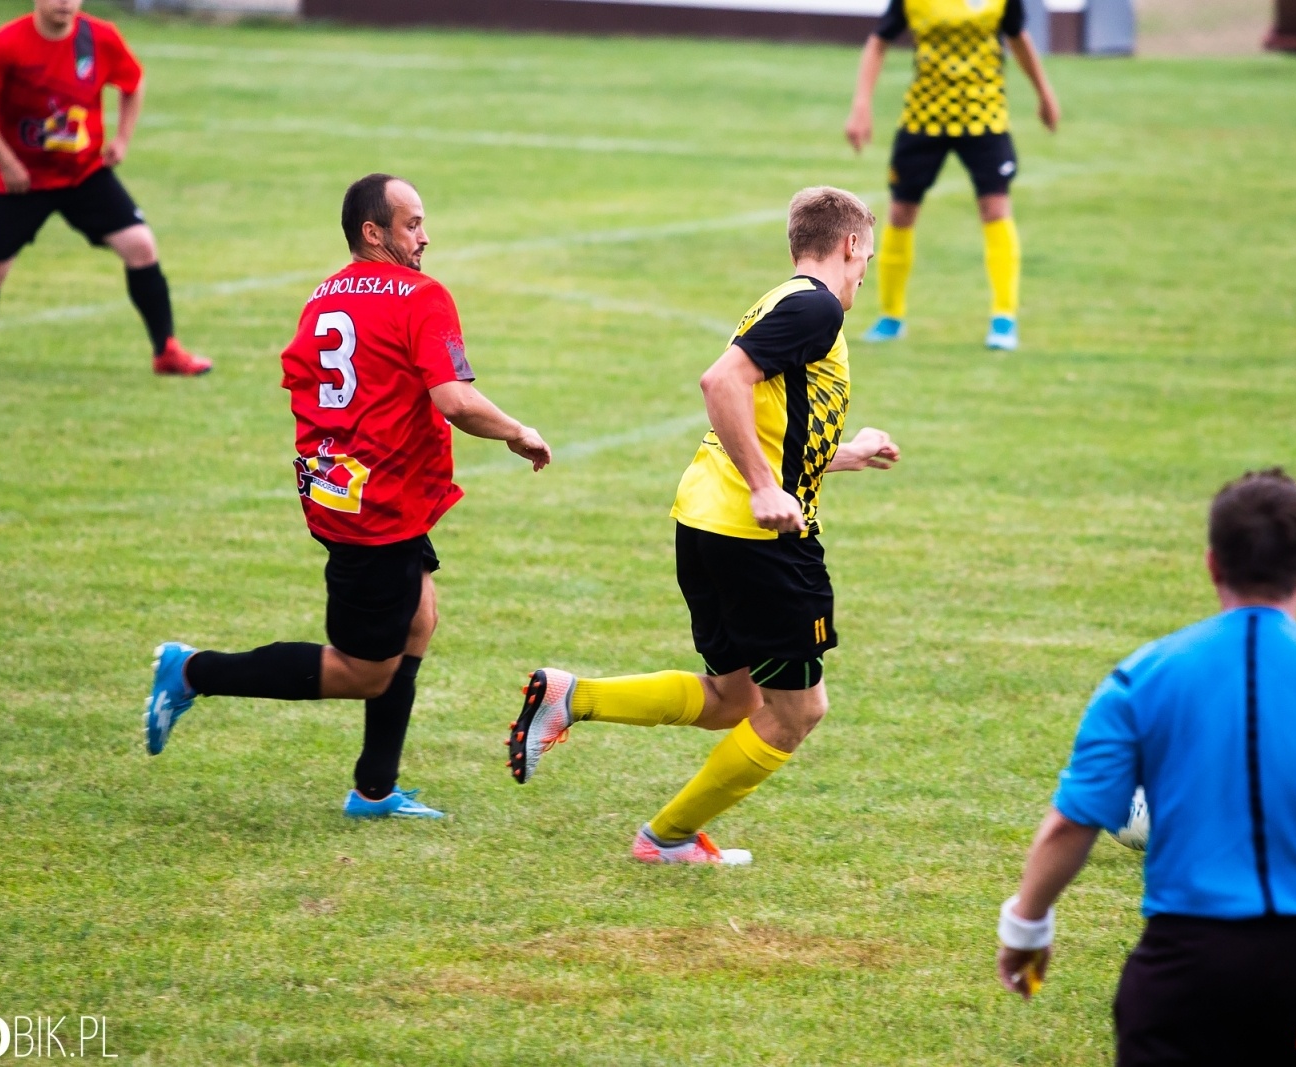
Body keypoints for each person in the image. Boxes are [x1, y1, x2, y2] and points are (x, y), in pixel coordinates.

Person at [506, 187, 901, 865]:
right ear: (851, 245)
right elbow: (721, 383)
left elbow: (770, 421)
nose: (865, 271)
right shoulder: (816, 307)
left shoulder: (784, 300)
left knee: (730, 698)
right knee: (797, 712)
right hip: (758, 540)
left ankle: (574, 696)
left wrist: (843, 455)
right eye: (868, 255)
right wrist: (765, 487)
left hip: (708, 520)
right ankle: (665, 838)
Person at [997, 470, 1296, 1067]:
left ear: (1212, 565)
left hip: (1184, 985)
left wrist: (1026, 930)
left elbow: (1069, 825)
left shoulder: (1141, 679)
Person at [142, 174, 552, 819]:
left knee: (419, 618)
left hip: (345, 486)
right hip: (379, 503)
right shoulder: (423, 296)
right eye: (412, 223)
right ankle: (193, 671)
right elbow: (456, 401)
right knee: (364, 671)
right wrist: (518, 432)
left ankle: (374, 790)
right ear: (374, 231)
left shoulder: (323, 293)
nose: (423, 236)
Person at [0, 0, 209, 381]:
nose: (65, 2)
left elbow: (133, 83)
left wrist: (122, 138)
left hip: (84, 174)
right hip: (24, 181)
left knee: (141, 246)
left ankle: (166, 351)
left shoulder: (100, 37)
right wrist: (7, 162)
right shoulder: (7, 43)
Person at [845, 0, 1060, 351]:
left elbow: (1019, 37)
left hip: (984, 118)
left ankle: (1003, 319)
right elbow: (878, 41)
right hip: (924, 118)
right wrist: (861, 105)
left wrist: (1044, 93)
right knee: (900, 212)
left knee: (995, 208)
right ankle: (891, 317)